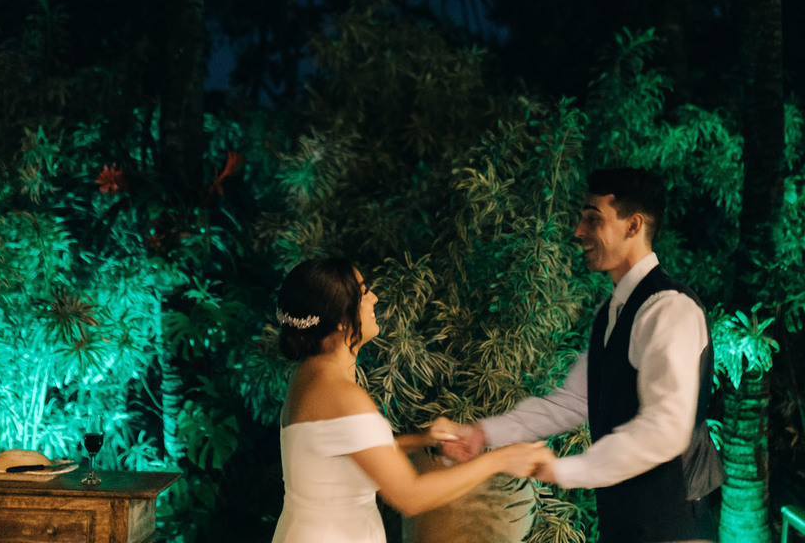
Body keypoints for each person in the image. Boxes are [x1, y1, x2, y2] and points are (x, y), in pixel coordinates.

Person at [442, 168, 726, 543]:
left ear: (633, 226)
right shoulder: (610, 313)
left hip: (673, 527)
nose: (578, 231)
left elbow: (665, 429)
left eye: (593, 219)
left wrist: (566, 470)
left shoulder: (670, 309)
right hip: (624, 526)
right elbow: (573, 401)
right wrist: (484, 433)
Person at [271, 257, 555, 543]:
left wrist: (423, 439)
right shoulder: (340, 394)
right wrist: (500, 460)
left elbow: (349, 455)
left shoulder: (310, 376)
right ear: (341, 320)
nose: (373, 298)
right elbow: (410, 496)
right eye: (363, 292)